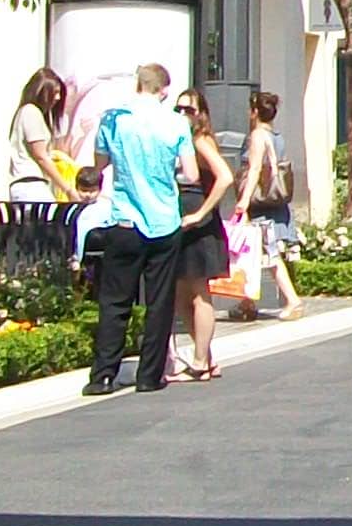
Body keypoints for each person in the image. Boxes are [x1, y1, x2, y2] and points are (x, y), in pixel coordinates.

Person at [82, 63, 191, 395]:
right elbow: (191, 173)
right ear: (164, 90)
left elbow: (99, 165)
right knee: (159, 301)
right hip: (164, 220)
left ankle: (103, 375)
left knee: (115, 300)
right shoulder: (176, 122)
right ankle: (149, 375)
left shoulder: (114, 120)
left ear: (138, 85)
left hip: (125, 218)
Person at [170, 89, 239, 379]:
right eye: (178, 109)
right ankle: (206, 358)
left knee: (199, 293)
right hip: (183, 223)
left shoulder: (199, 140)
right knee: (181, 295)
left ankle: (200, 362)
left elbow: (225, 176)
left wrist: (201, 213)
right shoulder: (182, 139)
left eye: (189, 109)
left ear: (201, 114)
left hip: (198, 223)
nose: (183, 114)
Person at [239, 87, 300, 316]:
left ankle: (293, 301)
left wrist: (243, 201)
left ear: (255, 112)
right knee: (254, 252)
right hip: (275, 202)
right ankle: (246, 303)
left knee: (268, 253)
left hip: (260, 204)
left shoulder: (257, 136)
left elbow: (255, 169)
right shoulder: (277, 137)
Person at [7, 67, 76, 203]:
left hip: (30, 185)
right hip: (30, 185)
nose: (58, 98)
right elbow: (41, 156)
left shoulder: (29, 113)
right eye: (54, 93)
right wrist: (67, 189)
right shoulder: (31, 112)